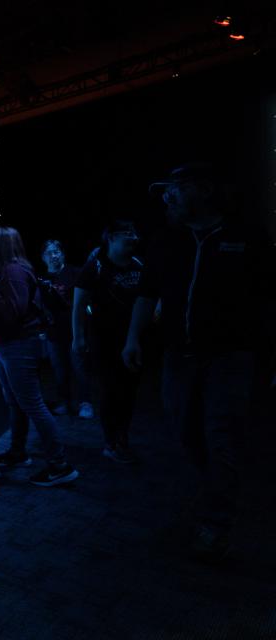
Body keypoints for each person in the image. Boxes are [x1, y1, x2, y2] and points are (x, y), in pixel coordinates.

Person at [123, 162, 275, 562]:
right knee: (186, 432)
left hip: (229, 358)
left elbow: (269, 298)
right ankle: (214, 492)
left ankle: (217, 523)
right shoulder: (166, 240)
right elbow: (147, 292)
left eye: (176, 187)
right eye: (165, 189)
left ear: (204, 190)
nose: (167, 196)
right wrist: (133, 337)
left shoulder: (247, 238)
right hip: (179, 358)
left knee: (220, 435)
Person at [0, 227, 79, 486]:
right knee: (16, 402)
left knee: (33, 404)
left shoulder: (12, 273)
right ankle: (18, 452)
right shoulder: (13, 269)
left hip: (18, 345)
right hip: (10, 346)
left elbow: (12, 315)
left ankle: (60, 465)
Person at [73, 221, 144, 463]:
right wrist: (78, 337)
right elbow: (79, 305)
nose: (134, 237)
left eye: (135, 233)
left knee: (129, 392)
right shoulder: (95, 267)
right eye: (127, 233)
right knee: (111, 392)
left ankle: (122, 438)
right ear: (111, 237)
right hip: (104, 341)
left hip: (133, 340)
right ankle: (111, 442)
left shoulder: (139, 266)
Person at [39, 239, 93, 419]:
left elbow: (87, 301)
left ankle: (86, 402)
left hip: (75, 330)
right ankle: (64, 401)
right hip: (54, 333)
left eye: (56, 251)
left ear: (63, 253)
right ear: (43, 257)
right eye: (49, 253)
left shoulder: (75, 273)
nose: (53, 256)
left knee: (80, 368)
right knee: (59, 369)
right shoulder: (41, 279)